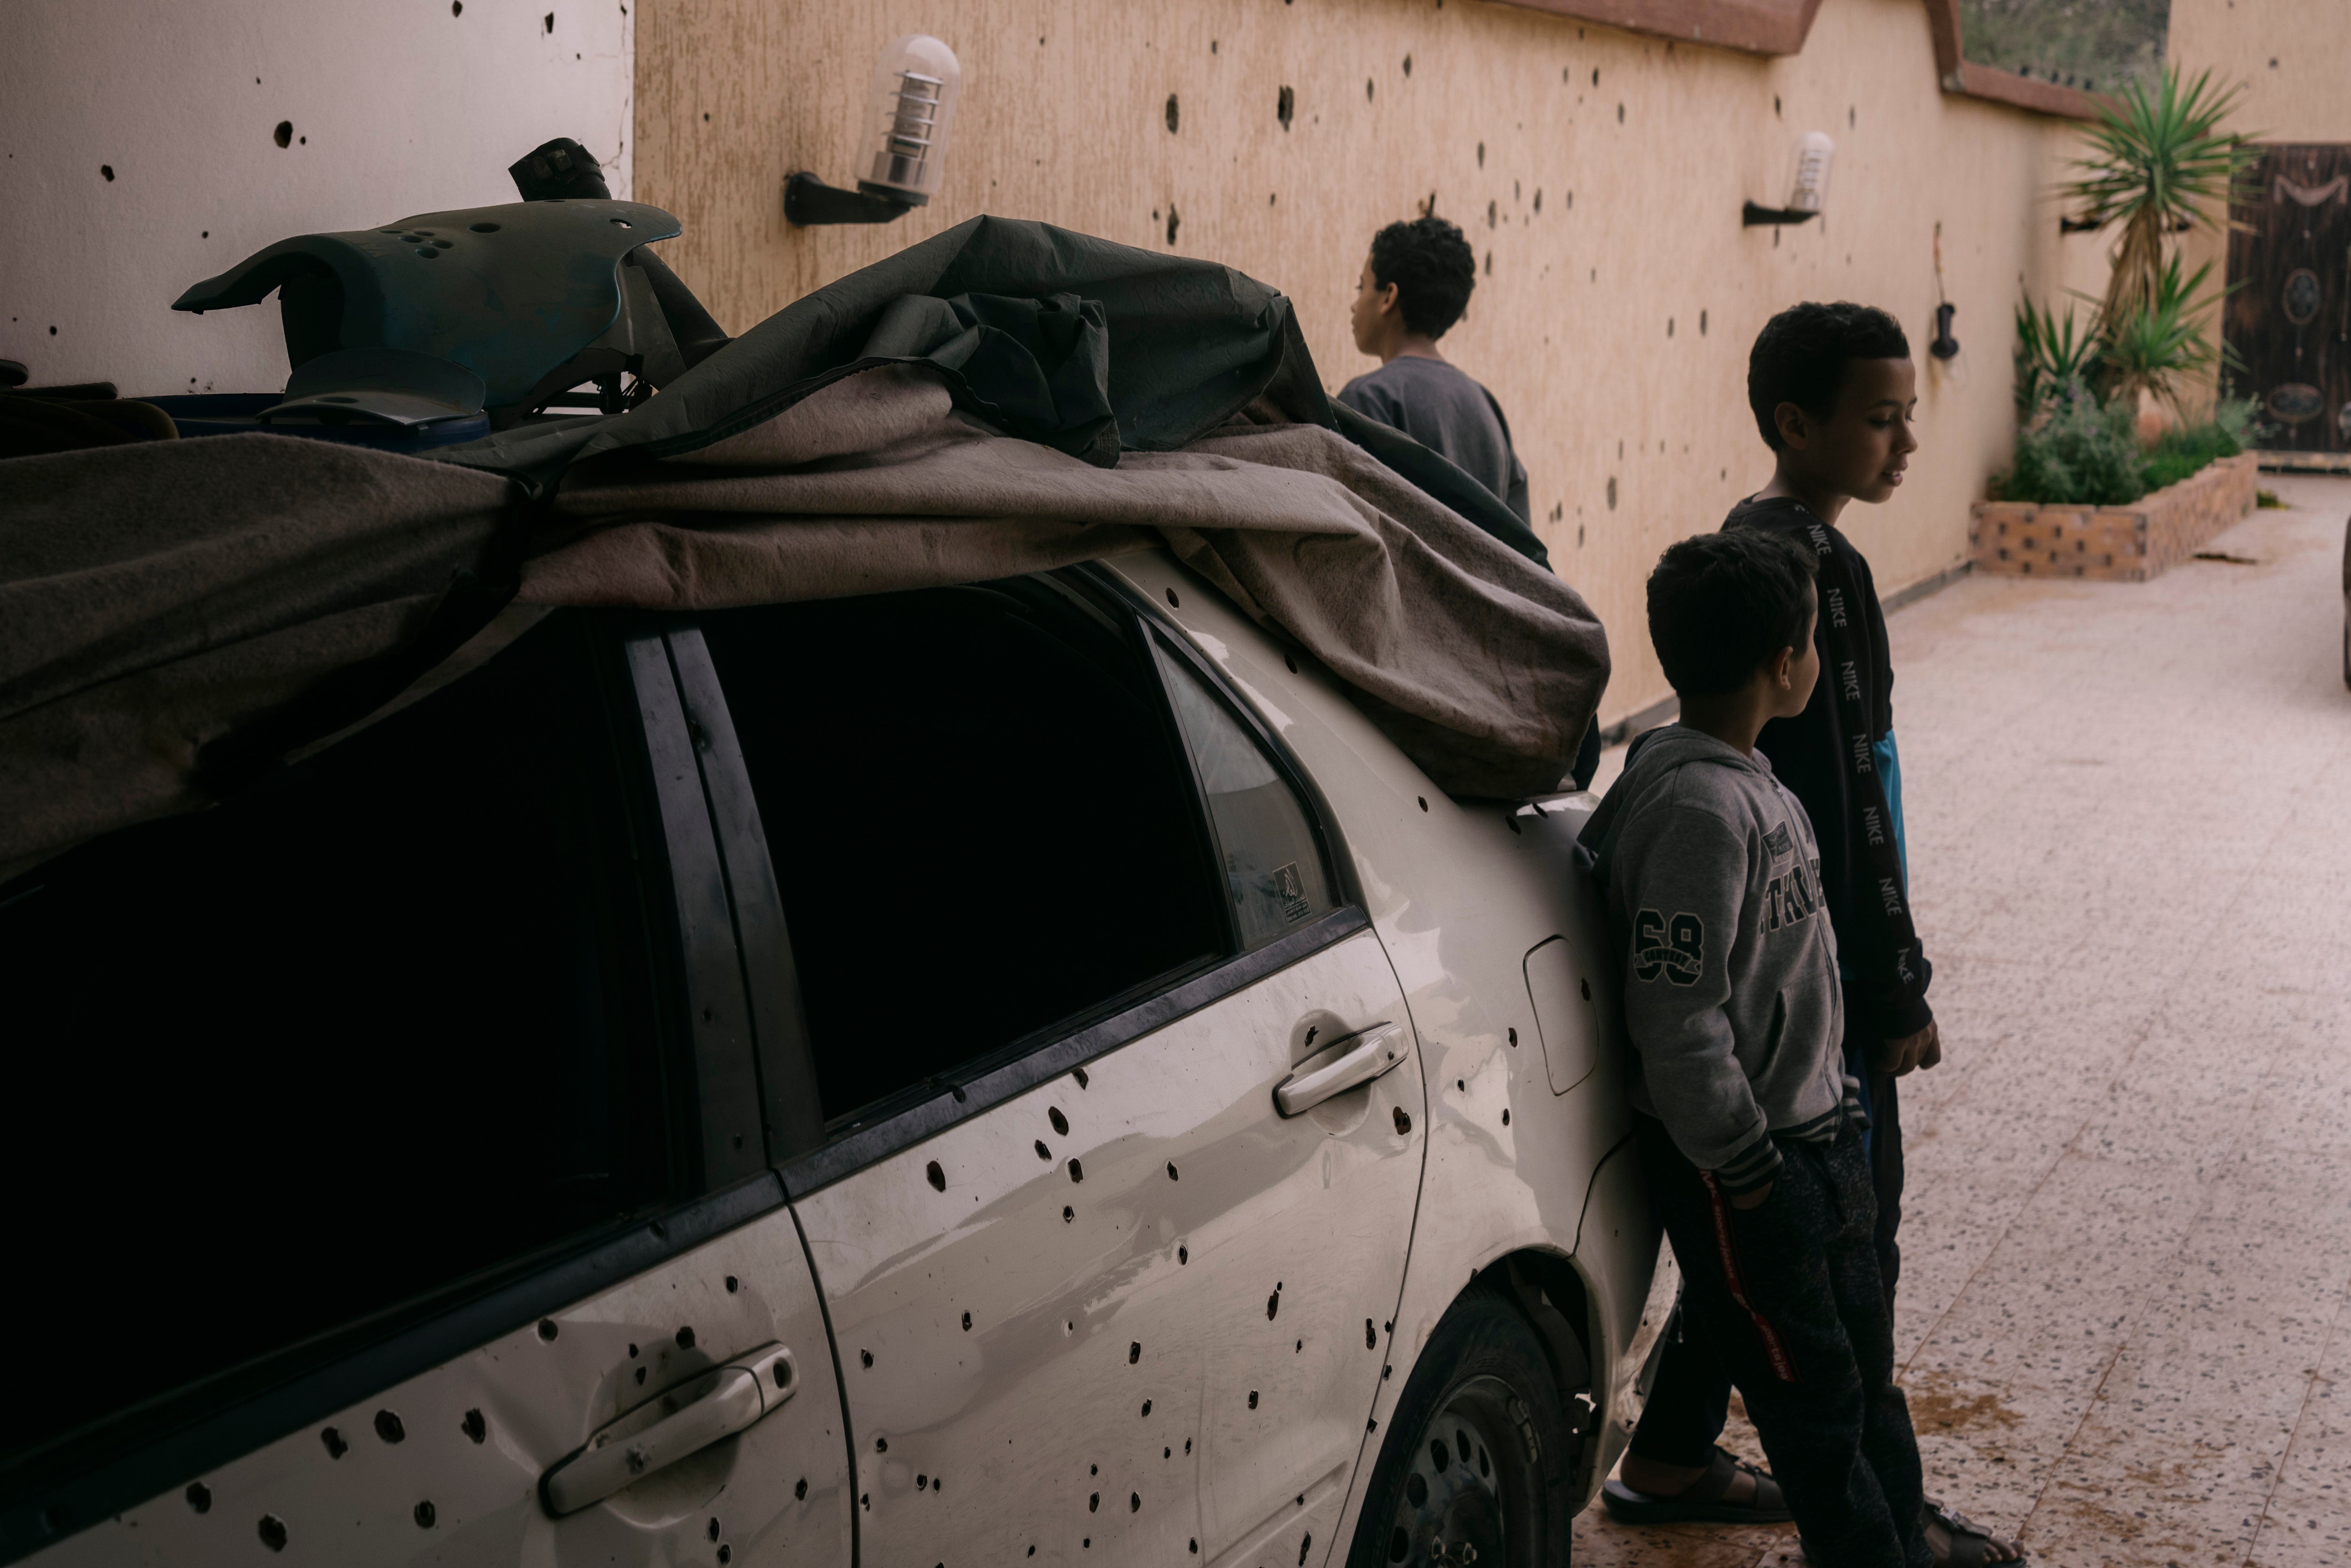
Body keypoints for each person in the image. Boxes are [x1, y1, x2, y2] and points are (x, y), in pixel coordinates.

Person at [1604, 302, 2022, 1565]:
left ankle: (1675, 1451)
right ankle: (1877, 1525)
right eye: (1882, 417)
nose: (1905, 441)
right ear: (1801, 423)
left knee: (1773, 1267)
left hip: (1780, 1036)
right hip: (1806, 1032)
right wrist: (1895, 986)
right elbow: (1851, 800)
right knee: (1844, 1260)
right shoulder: (1813, 571)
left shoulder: (1752, 544)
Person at [1580, 529, 1931, 1567]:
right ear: (1786, 664)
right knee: (1815, 1412)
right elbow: (1677, 1018)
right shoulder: (1694, 806)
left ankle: (1904, 1544)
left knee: (1868, 1379)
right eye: (1812, 641)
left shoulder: (1753, 780)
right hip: (1753, 1175)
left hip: (1821, 1135)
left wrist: (1841, 1106)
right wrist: (1747, 1169)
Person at [1337, 215, 1531, 527]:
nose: (1354, 304)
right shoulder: (1486, 407)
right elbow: (1522, 550)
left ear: (1389, 297)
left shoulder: (1367, 399)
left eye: (1362, 287)